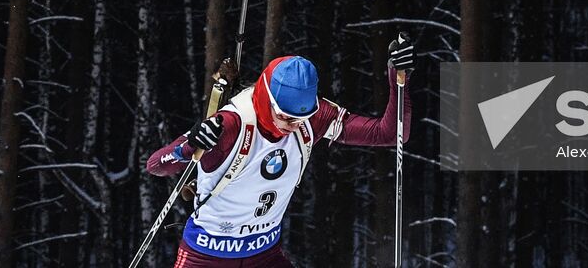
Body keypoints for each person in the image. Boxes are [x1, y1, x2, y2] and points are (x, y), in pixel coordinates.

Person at [146, 36, 415, 267]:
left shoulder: (313, 118)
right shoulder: (232, 124)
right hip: (206, 256)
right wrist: (189, 145)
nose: (293, 126)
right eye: (285, 116)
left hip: (263, 255)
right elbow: (156, 165)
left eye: (301, 118)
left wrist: (398, 79)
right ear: (266, 98)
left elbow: (390, 134)